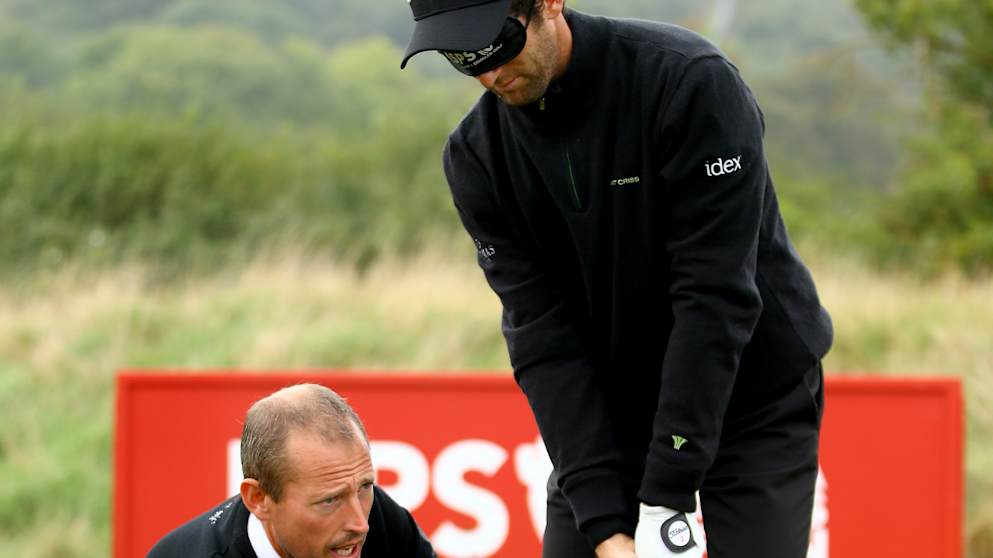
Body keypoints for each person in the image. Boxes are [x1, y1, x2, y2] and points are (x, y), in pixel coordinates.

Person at [400, 1, 833, 558]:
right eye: (463, 59)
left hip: (751, 391)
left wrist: (664, 500)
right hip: (614, 405)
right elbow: (542, 338)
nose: (490, 74)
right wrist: (607, 526)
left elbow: (715, 297)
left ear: (548, 4)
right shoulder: (477, 158)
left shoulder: (687, 82)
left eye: (500, 45)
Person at [147, 383, 436, 558]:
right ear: (258, 499)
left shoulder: (382, 521)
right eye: (329, 501)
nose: (361, 524)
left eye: (364, 487)